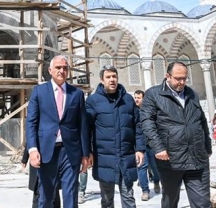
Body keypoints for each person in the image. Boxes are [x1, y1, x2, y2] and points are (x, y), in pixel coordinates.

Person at [139, 62, 211, 208]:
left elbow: (201, 121)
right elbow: (147, 122)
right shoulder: (154, 94)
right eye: (178, 78)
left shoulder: (191, 94)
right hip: (171, 159)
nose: (182, 82)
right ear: (167, 76)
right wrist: (158, 147)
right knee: (170, 200)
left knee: (202, 203)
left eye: (184, 78)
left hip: (197, 157)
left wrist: (207, 146)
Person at [26, 55, 92, 208]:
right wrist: (32, 149)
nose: (62, 71)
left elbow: (82, 125)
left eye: (65, 68)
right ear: (50, 70)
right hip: (46, 151)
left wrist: (85, 154)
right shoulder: (39, 92)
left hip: (70, 152)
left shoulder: (77, 94)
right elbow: (31, 122)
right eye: (58, 67)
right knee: (46, 197)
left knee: (71, 196)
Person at [86, 65, 145, 208]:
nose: (112, 80)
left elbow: (137, 126)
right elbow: (87, 130)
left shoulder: (128, 100)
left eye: (114, 76)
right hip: (104, 158)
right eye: (108, 77)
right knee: (107, 200)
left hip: (126, 157)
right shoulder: (93, 101)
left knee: (128, 198)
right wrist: (88, 151)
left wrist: (140, 149)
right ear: (101, 80)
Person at [133, 90, 161, 200]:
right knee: (141, 167)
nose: (136, 99)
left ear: (144, 98)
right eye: (135, 97)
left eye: (139, 97)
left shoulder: (150, 111)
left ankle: (157, 181)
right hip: (140, 145)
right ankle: (145, 190)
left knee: (155, 166)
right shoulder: (133, 112)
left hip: (151, 144)